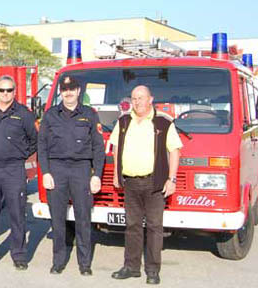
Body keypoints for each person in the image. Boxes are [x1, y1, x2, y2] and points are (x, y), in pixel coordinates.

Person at [110, 85, 182, 285]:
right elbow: (116, 147)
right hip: (130, 182)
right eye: (133, 98)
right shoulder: (124, 121)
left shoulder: (163, 123)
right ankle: (131, 267)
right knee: (132, 226)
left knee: (154, 227)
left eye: (141, 98)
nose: (137, 102)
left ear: (151, 99)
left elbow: (175, 150)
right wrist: (117, 174)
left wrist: (172, 179)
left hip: (154, 183)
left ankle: (152, 271)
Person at [38, 76, 105, 275]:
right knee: (57, 219)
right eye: (64, 89)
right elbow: (41, 145)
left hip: (81, 169)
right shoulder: (50, 115)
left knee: (83, 218)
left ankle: (84, 264)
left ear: (78, 91)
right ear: (61, 91)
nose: (68, 92)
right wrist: (45, 172)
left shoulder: (90, 115)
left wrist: (97, 175)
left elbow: (98, 147)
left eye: (72, 89)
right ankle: (58, 261)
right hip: (56, 169)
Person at [0, 75, 37, 270]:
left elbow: (34, 140)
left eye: (9, 90)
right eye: (1, 90)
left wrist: (19, 155)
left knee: (17, 213)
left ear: (14, 91)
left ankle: (19, 255)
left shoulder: (24, 114)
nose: (5, 94)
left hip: (14, 169)